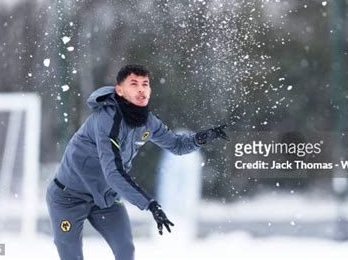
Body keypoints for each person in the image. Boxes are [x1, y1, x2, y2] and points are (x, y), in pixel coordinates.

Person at [46, 64, 229, 260]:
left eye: (145, 84)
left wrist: (198, 139)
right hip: (68, 198)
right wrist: (149, 204)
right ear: (120, 90)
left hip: (106, 199)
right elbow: (113, 172)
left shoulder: (148, 122)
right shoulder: (107, 120)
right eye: (134, 84)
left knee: (126, 251)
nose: (141, 89)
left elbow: (176, 145)